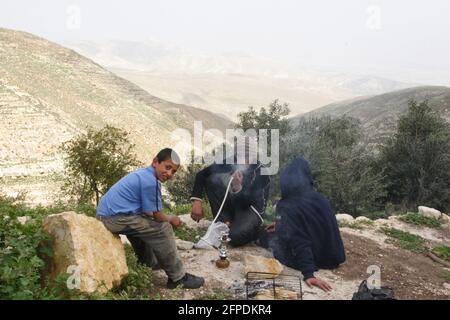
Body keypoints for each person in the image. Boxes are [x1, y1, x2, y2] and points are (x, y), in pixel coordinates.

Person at [96, 148, 204, 289]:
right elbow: (158, 216)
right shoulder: (151, 181)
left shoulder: (145, 175)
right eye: (167, 167)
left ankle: (148, 263)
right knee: (163, 228)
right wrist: (172, 219)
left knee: (145, 225)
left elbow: (148, 212)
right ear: (155, 162)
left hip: (109, 216)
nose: (169, 173)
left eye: (173, 171)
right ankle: (178, 278)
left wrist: (158, 218)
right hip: (113, 219)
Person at [266, 157, 346, 292]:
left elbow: (299, 239)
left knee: (268, 238)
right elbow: (310, 224)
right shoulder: (319, 197)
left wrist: (308, 273)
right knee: (278, 231)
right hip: (333, 256)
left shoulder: (286, 205)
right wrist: (281, 225)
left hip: (316, 260)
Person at [190, 144, 270, 247]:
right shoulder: (230, 162)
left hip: (251, 210)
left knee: (233, 237)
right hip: (234, 203)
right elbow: (202, 174)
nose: (244, 161)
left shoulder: (261, 172)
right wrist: (197, 201)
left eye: (248, 157)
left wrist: (238, 188)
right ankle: (223, 221)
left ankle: (254, 231)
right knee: (212, 179)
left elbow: (248, 202)